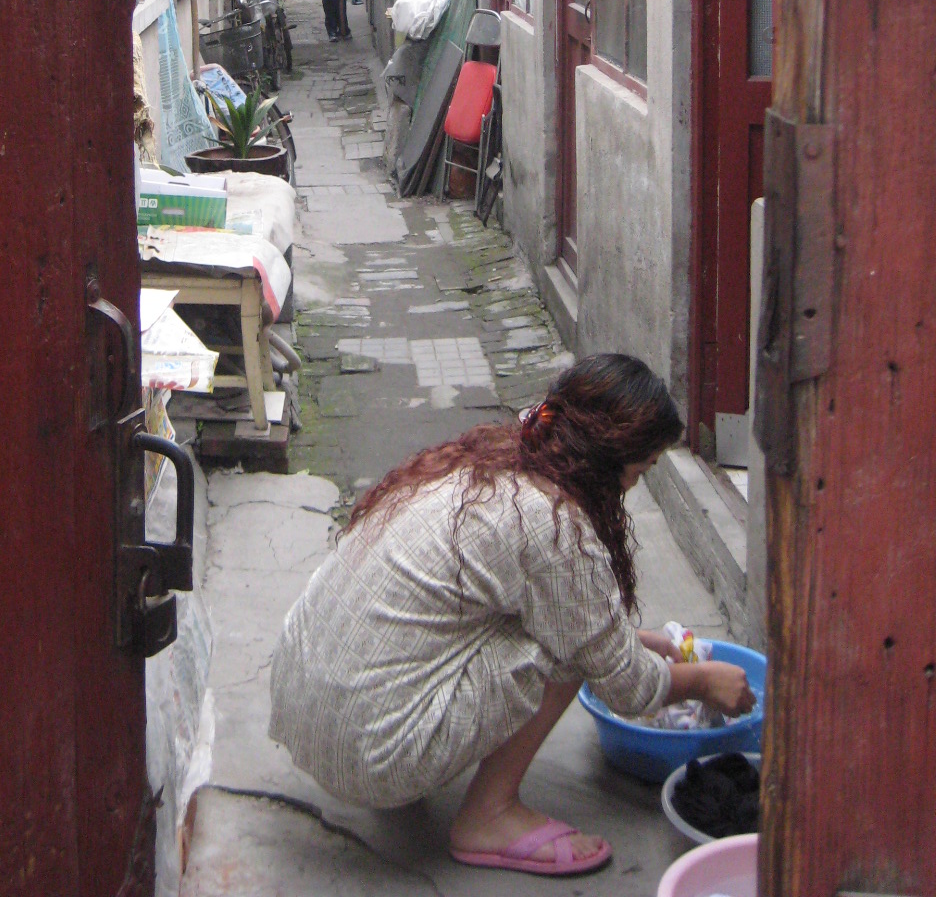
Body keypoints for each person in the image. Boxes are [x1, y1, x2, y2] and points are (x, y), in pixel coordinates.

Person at [269, 354, 755, 877]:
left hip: (304, 708)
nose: (634, 487)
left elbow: (567, 614)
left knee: (569, 625)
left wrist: (637, 638)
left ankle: (413, 749)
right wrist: (705, 680)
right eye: (639, 472)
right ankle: (489, 816)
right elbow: (626, 685)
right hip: (370, 755)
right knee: (565, 650)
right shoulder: (551, 522)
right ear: (607, 460)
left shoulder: (495, 457)